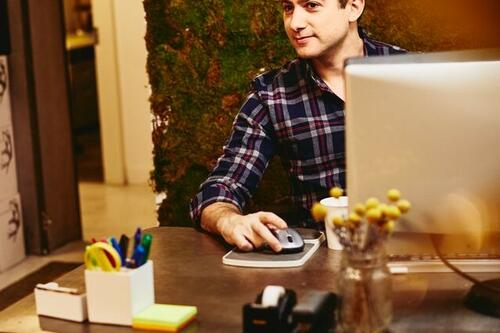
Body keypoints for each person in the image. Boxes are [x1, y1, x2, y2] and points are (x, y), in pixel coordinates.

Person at [189, 0, 405, 252]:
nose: (295, 23)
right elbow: (220, 188)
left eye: (311, 5)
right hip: (322, 260)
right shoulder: (271, 95)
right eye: (288, 8)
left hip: (415, 248)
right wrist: (230, 220)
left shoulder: (412, 74)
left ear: (354, 7)